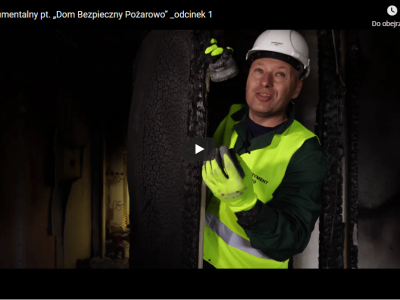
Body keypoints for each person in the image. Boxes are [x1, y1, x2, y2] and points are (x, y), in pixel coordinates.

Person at [202, 30, 327, 269]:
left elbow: (292, 240)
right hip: (199, 257)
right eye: (259, 70)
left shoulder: (305, 151)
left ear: (297, 88)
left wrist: (245, 204)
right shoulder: (230, 117)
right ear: (248, 77)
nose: (265, 81)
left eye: (280, 74)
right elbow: (194, 153)